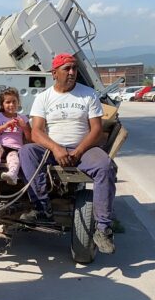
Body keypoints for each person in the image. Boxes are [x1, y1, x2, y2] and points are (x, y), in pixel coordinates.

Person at [18, 53, 117, 254]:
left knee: (105, 166)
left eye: (74, 68)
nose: (72, 72)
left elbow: (96, 130)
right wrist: (56, 148)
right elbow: (36, 131)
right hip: (54, 149)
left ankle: (103, 229)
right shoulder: (43, 97)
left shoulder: (88, 94)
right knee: (27, 152)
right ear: (54, 73)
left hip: (83, 149)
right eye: (67, 68)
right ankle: (42, 208)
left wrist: (78, 151)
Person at [0, 87, 32, 185]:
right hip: (0, 146)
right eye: (8, 102)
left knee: (14, 158)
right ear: (2, 104)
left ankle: (12, 175)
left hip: (15, 148)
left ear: (18, 103)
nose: (11, 105)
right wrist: (5, 125)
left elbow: (29, 138)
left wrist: (24, 127)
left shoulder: (23, 118)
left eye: (14, 102)